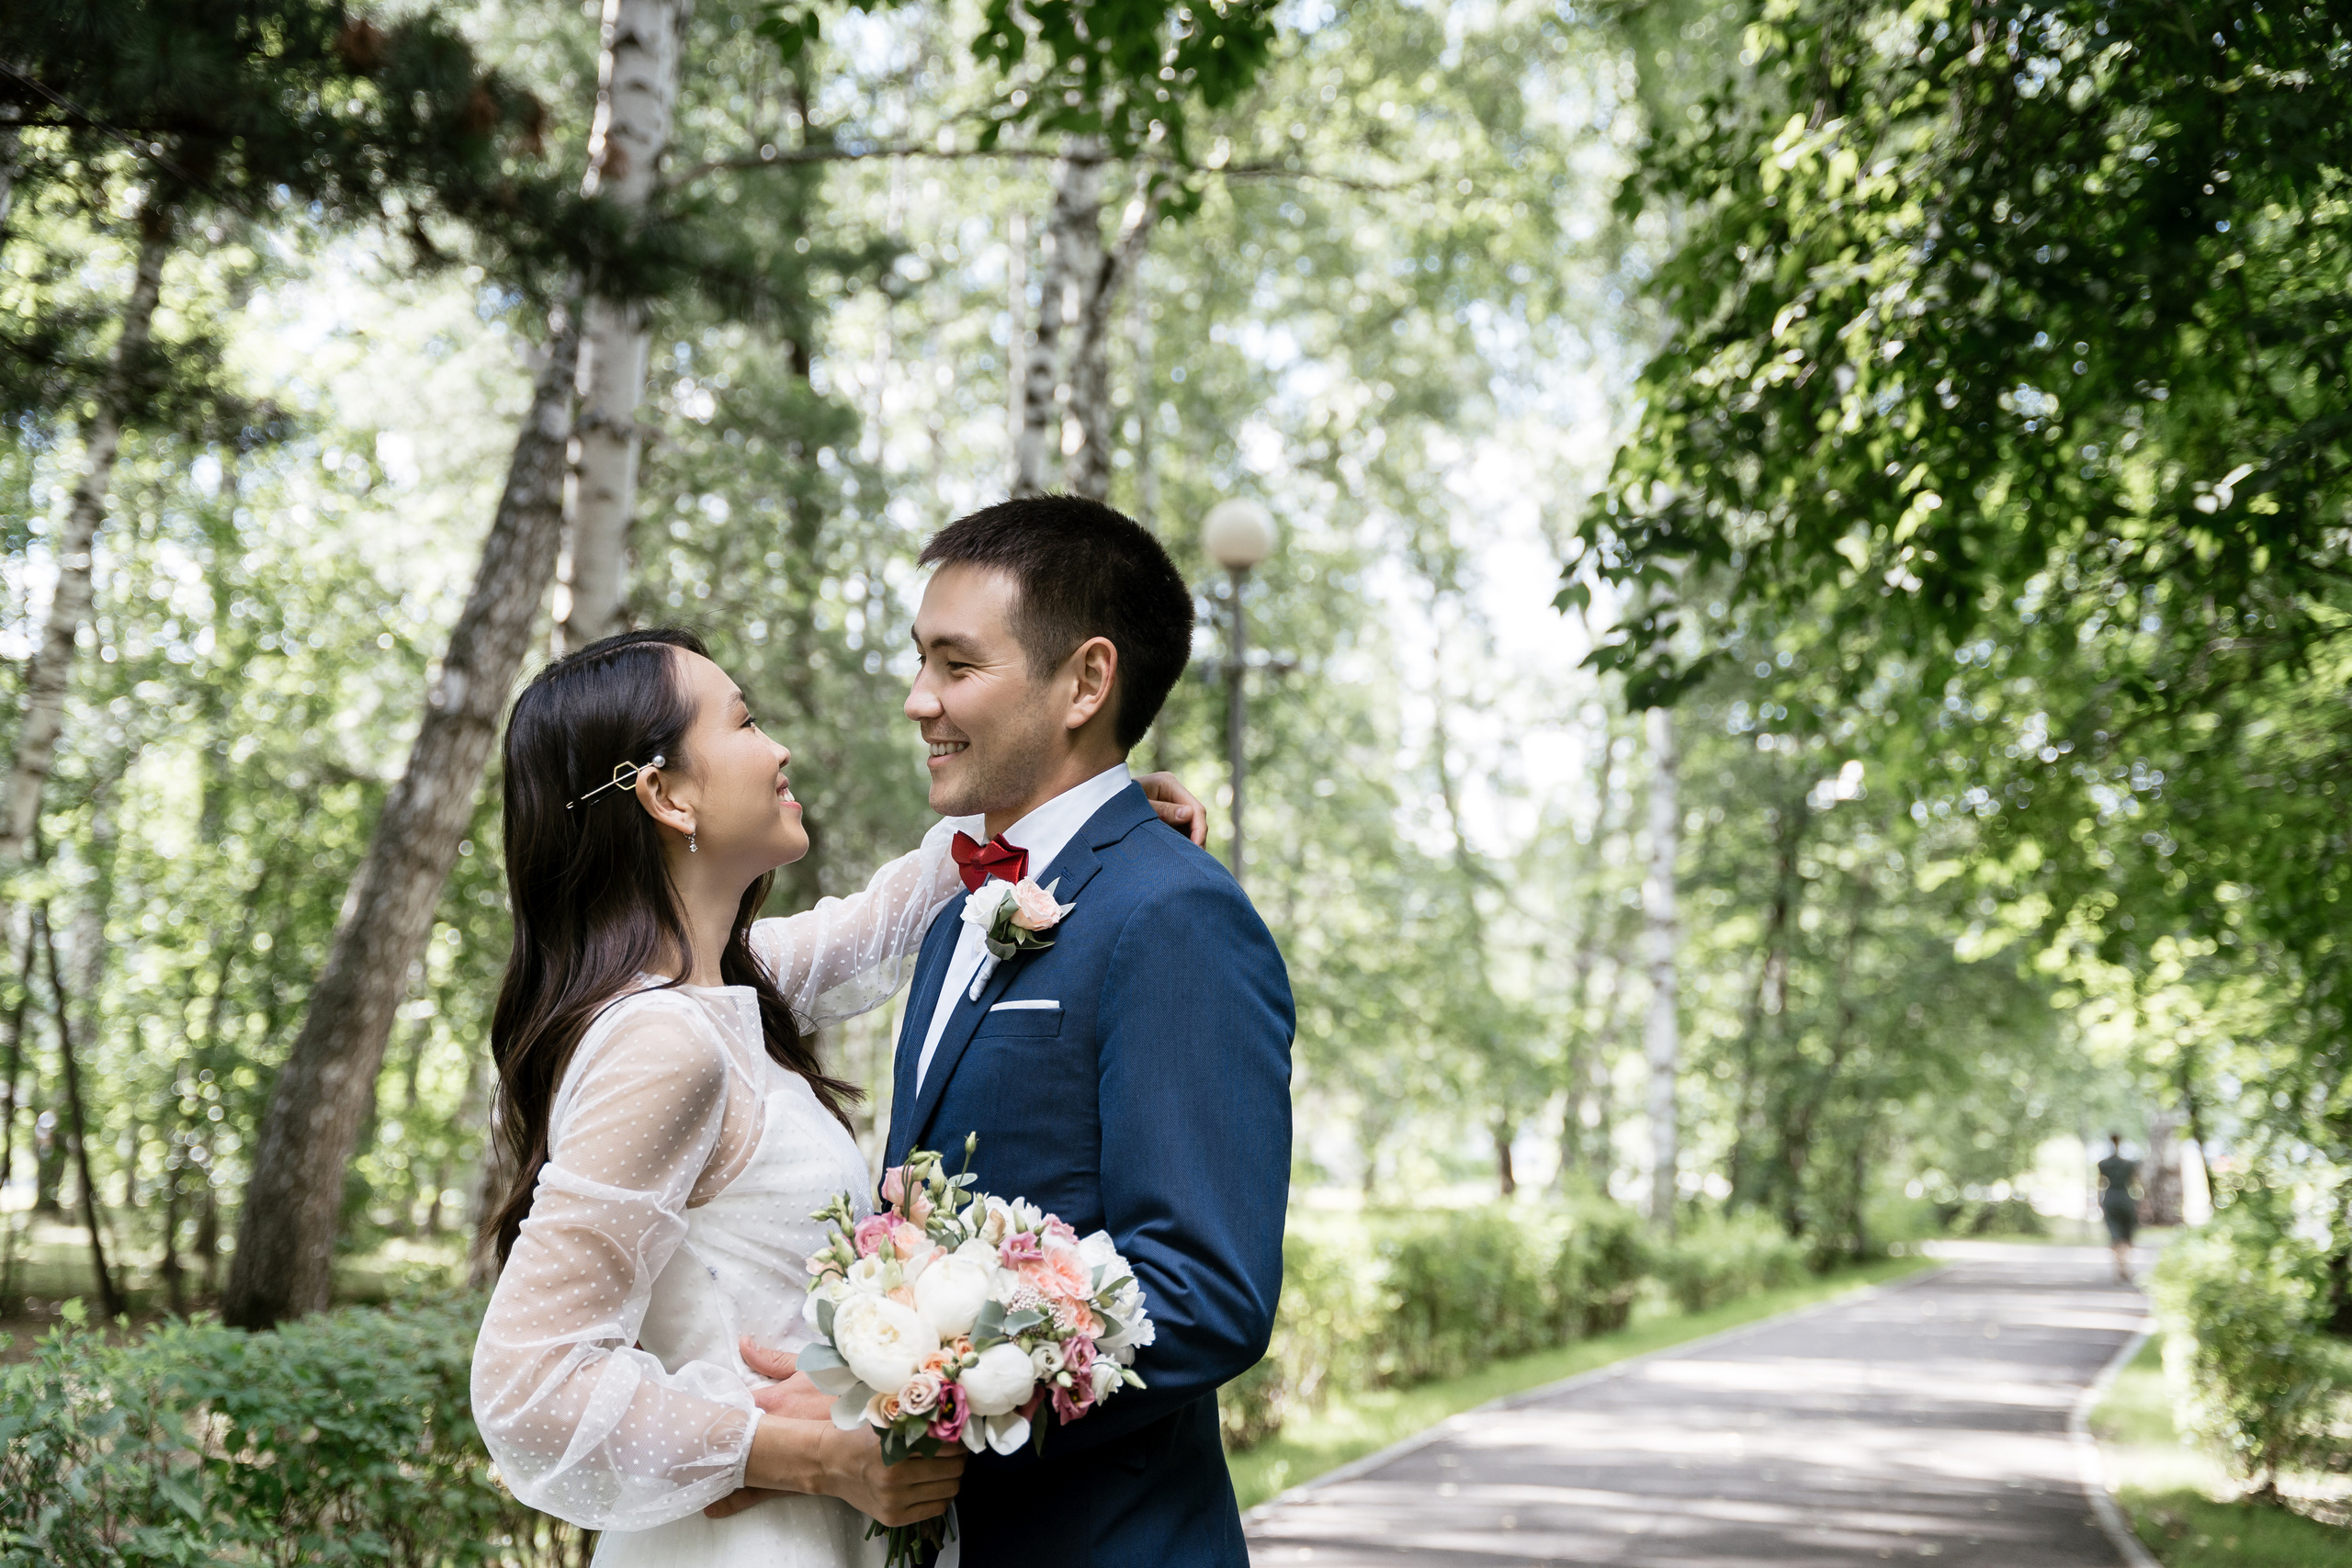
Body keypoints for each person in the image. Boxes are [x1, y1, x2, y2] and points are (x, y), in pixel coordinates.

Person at [468, 627, 1211, 1567]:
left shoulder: (731, 991)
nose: (777, 749)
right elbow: (526, 1389)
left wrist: (1088, 807)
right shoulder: (662, 1039)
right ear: (663, 793)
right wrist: (817, 1454)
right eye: (742, 724)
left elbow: (891, 909)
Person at [723, 497, 1295, 1566]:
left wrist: (899, 1396)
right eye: (917, 661)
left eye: (955, 665)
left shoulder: (1176, 915)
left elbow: (1204, 1288)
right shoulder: (953, 911)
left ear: (1085, 681)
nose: (916, 701)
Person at [2098, 1133, 2140, 1284]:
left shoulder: (2104, 1164)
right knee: (2126, 1234)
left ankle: (2119, 1269)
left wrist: (2099, 1202)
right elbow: (2136, 1183)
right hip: (2125, 1198)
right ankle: (2124, 1267)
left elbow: (2100, 1184)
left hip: (2110, 1198)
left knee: (2115, 1235)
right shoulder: (2129, 1164)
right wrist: (2142, 1201)